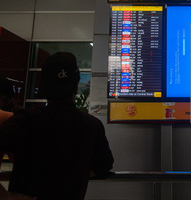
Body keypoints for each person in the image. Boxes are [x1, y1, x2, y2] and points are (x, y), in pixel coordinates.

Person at [0, 52, 114, 200]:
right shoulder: (91, 126)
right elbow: (104, 165)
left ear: (44, 86)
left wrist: (6, 196)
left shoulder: (25, 121)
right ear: (75, 87)